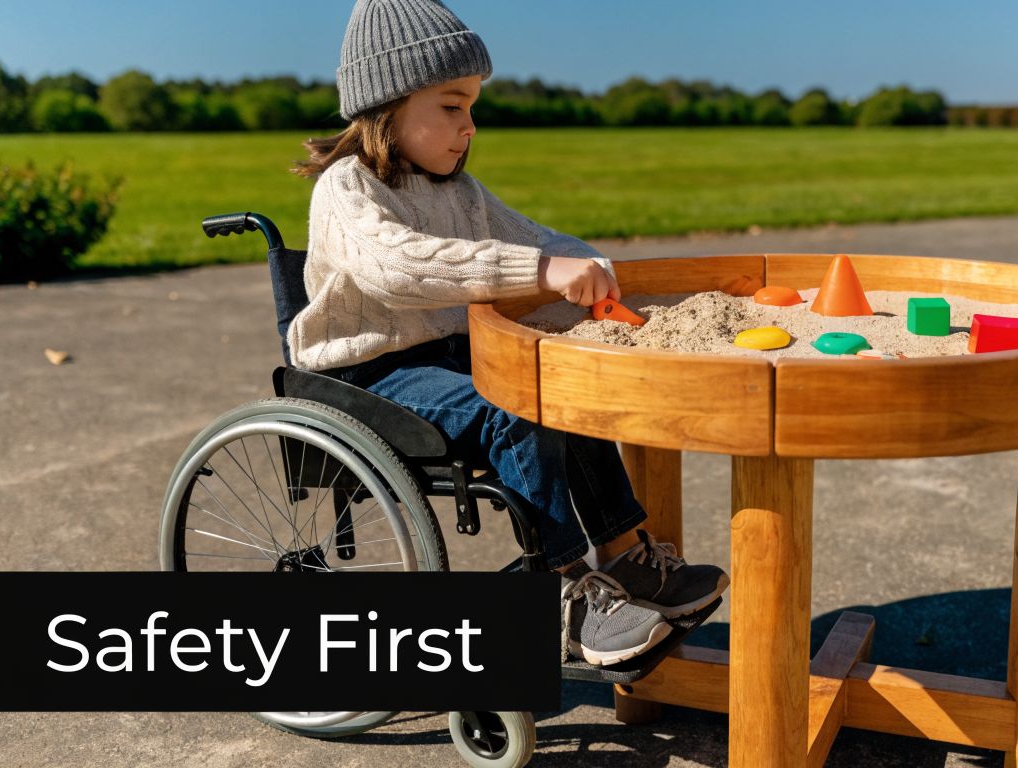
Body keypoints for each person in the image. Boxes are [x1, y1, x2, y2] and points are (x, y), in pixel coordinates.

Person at [289, 0, 727, 667]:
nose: (469, 126)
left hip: (445, 358)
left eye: (472, 107)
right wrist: (545, 269)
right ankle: (562, 590)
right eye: (451, 106)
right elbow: (398, 268)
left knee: (560, 380)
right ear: (387, 104)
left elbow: (531, 238)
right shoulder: (348, 190)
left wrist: (593, 265)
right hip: (366, 374)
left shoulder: (458, 189)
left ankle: (625, 557)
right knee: (514, 407)